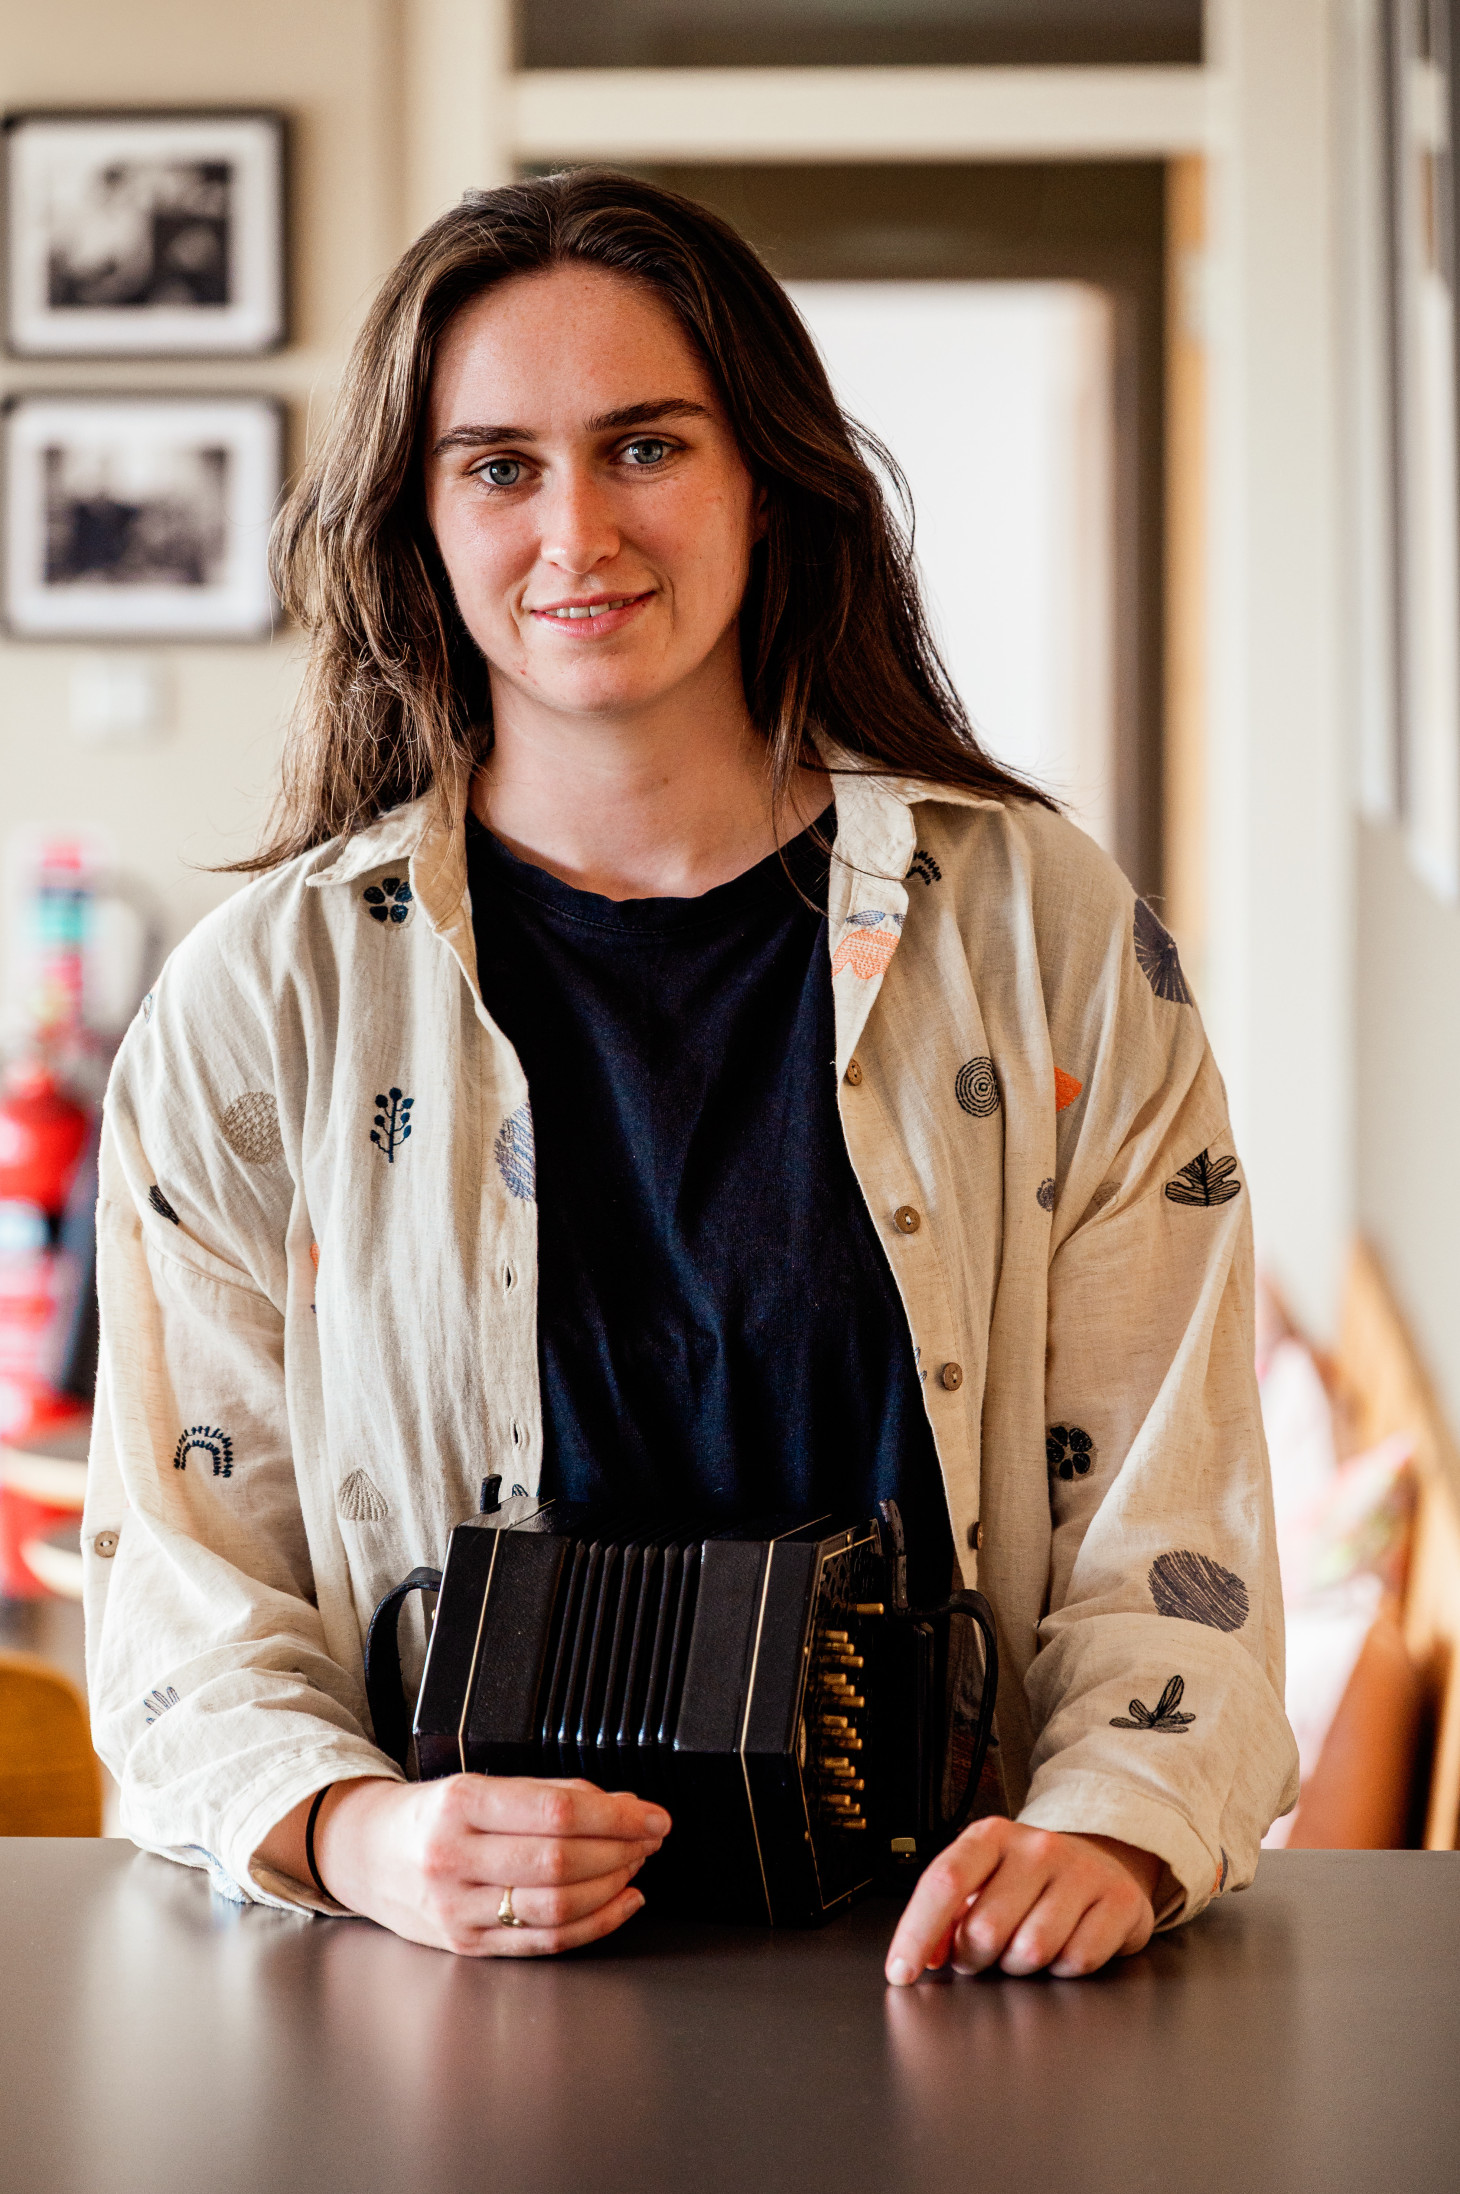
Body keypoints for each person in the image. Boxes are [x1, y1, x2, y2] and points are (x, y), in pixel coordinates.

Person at [83, 170, 1296, 1982]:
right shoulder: (261, 1005)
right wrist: (360, 1833)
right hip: (444, 1984)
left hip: (964, 1960)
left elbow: (1168, 1491)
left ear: (765, 481)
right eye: (499, 466)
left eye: (645, 446)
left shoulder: (1041, 934)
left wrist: (1117, 1825)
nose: (576, 531)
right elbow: (184, 1580)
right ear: (419, 521)